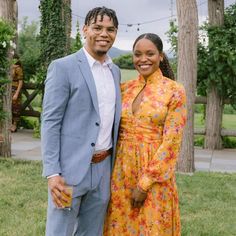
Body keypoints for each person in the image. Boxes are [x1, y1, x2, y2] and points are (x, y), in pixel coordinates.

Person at [41, 6, 121, 236]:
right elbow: (50, 122)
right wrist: (53, 172)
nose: (104, 34)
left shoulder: (114, 71)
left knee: (92, 232)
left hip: (103, 169)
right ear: (85, 29)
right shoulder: (63, 67)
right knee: (60, 232)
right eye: (97, 27)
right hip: (68, 171)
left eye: (110, 29)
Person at [104, 33, 187, 235]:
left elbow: (171, 143)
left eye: (150, 53)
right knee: (121, 226)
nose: (143, 59)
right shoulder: (125, 89)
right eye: (137, 54)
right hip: (121, 173)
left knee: (152, 227)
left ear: (161, 56)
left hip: (154, 176)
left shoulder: (174, 91)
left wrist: (145, 183)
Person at [11, 54, 23, 132]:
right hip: (8, 90)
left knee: (16, 108)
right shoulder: (9, 67)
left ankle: (14, 125)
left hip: (15, 90)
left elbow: (21, 81)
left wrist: (17, 93)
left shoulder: (18, 69)